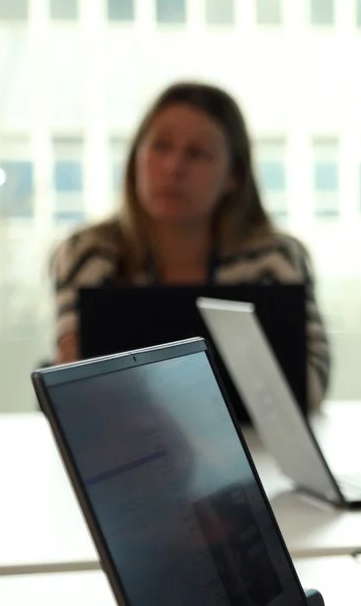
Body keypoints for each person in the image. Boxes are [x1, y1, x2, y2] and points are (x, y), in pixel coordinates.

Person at [50, 81, 331, 408]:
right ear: (135, 157)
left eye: (197, 153)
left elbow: (310, 385)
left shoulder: (274, 258)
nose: (173, 168)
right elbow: (74, 389)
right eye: (160, 146)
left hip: (257, 450)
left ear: (233, 176)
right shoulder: (89, 254)